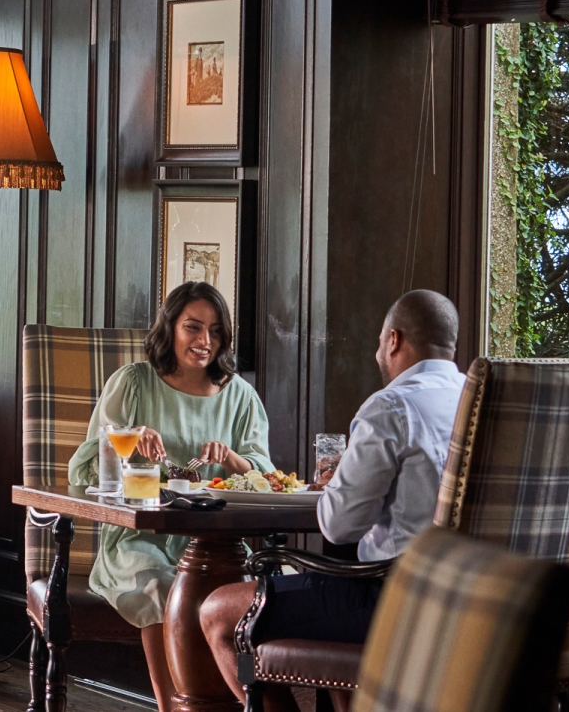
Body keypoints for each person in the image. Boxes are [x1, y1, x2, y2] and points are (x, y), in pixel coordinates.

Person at [198, 290, 464, 712]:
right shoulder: (475, 402)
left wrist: (342, 480)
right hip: (481, 606)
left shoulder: (391, 406)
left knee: (218, 611)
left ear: (393, 340)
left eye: (380, 342)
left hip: (397, 601)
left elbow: (339, 527)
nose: (380, 351)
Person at [66, 281, 273, 712]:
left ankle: (247, 703)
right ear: (170, 328)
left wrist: (234, 460)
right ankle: (170, 707)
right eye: (192, 327)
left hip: (218, 546)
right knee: (167, 588)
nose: (204, 342)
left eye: (215, 331)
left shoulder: (240, 396)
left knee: (271, 590)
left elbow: (266, 478)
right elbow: (85, 471)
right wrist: (127, 438)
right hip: (137, 540)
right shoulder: (134, 383)